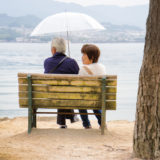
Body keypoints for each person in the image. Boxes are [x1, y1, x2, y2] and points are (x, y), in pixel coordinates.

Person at [44, 37, 79, 129]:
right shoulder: (72, 62)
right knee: (65, 91)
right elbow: (78, 79)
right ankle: (71, 116)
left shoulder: (47, 62)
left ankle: (63, 122)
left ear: (54, 49)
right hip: (69, 96)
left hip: (50, 96)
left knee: (59, 91)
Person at [79, 44, 106, 129]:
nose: (82, 57)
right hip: (100, 98)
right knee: (94, 100)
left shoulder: (83, 69)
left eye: (84, 55)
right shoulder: (102, 67)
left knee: (81, 101)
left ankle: (86, 124)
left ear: (92, 57)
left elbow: (79, 86)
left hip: (86, 98)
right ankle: (102, 123)